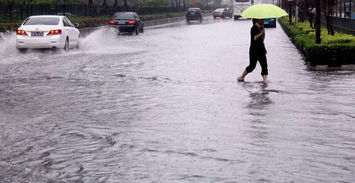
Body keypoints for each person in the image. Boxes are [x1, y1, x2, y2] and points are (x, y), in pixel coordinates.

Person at [238, 18, 268, 84]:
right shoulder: (253, 28)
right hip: (254, 50)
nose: (263, 20)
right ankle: (242, 76)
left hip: (261, 49)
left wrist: (264, 48)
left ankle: (265, 80)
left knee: (264, 65)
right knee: (252, 65)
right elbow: (254, 38)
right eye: (262, 19)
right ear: (257, 20)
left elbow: (261, 40)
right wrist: (261, 33)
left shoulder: (262, 28)